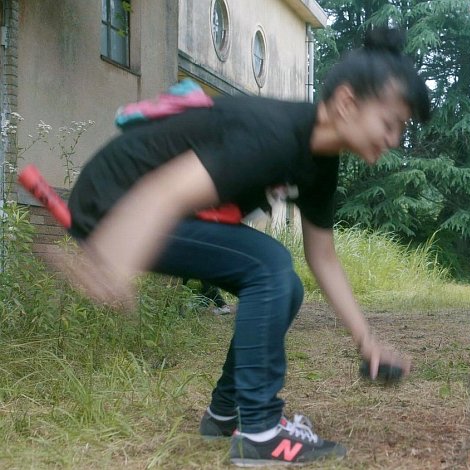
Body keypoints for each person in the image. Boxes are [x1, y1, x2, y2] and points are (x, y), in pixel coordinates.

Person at [51, 27, 431, 466]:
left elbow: (322, 256)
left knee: (285, 285)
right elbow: (163, 191)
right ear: (347, 103)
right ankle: (260, 432)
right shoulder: (273, 135)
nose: (394, 139)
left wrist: (367, 340)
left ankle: (225, 413)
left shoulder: (319, 164)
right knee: (268, 264)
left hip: (153, 207)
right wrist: (112, 259)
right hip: (117, 204)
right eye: (389, 124)